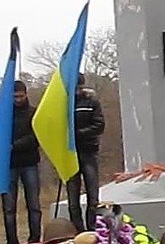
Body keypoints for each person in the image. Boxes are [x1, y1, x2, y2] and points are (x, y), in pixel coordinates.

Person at [0, 80, 42, 244]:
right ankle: (12, 240)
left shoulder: (34, 113)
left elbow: (36, 137)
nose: (18, 99)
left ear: (26, 94)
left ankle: (35, 238)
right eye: (14, 97)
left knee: (34, 204)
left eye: (20, 96)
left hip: (29, 163)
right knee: (9, 207)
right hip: (7, 166)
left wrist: (14, 146)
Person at [67, 75, 106, 232]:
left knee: (93, 194)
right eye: (75, 88)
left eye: (80, 87)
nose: (78, 91)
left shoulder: (91, 102)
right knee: (72, 197)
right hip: (70, 155)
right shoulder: (63, 103)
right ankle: (78, 230)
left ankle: (93, 229)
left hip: (89, 151)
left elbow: (99, 125)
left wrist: (79, 133)